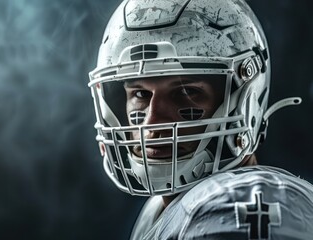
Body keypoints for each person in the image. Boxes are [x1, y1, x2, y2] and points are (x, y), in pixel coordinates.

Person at [88, 0, 313, 239]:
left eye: (186, 93)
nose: (152, 122)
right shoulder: (161, 208)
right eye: (141, 94)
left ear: (245, 99)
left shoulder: (244, 199)